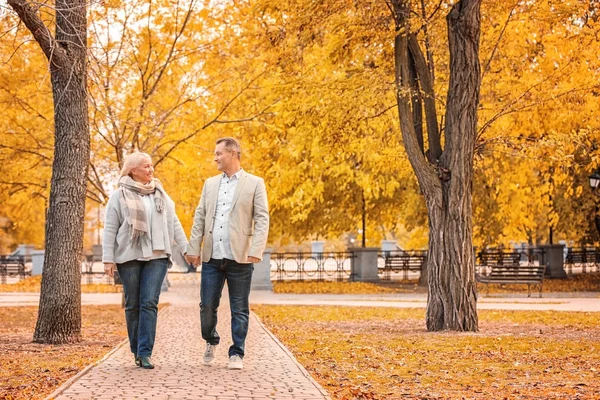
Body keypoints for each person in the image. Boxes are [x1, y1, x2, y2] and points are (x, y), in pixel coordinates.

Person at [186, 137, 269, 370]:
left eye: (219, 153)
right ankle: (211, 339)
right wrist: (193, 248)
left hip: (240, 256)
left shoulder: (254, 183)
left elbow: (262, 218)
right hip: (212, 256)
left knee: (239, 307)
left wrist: (256, 249)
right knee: (207, 305)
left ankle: (237, 353)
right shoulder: (210, 184)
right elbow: (200, 217)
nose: (215, 158)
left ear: (233, 154)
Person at [103, 152, 188, 369]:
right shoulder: (119, 195)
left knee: (149, 302)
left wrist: (187, 249)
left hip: (157, 255)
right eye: (146, 167)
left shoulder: (160, 193)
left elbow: (174, 223)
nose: (151, 170)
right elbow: (110, 228)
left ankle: (145, 352)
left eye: (151, 166)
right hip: (129, 256)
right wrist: (108, 259)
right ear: (133, 170)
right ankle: (136, 351)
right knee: (133, 304)